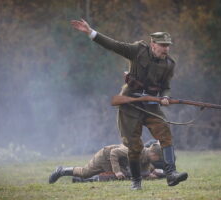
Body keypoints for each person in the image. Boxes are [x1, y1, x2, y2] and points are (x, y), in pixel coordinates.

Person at [70, 19, 188, 190]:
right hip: (129, 106)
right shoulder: (137, 50)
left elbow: (166, 87)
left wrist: (165, 97)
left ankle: (171, 174)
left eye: (168, 45)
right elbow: (114, 45)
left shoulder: (169, 64)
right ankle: (136, 182)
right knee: (134, 146)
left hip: (151, 106)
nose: (166, 49)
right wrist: (90, 32)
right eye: (162, 45)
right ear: (152, 44)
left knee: (164, 131)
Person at [49, 143, 162, 184]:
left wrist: (150, 174)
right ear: (153, 153)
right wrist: (117, 171)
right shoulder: (136, 150)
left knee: (125, 174)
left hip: (115, 161)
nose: (157, 159)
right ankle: (62, 171)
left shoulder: (147, 158)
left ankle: (81, 180)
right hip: (106, 155)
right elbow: (114, 153)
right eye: (157, 157)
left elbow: (143, 170)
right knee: (85, 172)